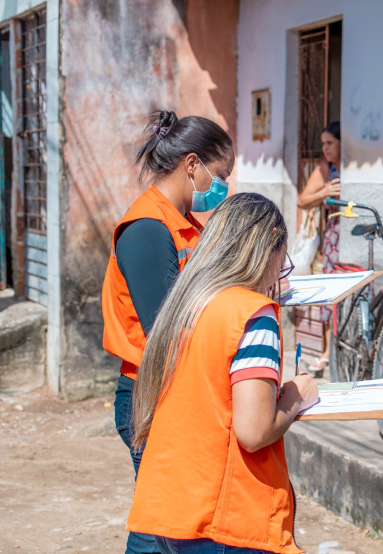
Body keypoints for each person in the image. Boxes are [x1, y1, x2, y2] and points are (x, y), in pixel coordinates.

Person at [127, 193, 319, 554]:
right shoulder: (254, 314)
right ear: (269, 249)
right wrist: (297, 395)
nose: (283, 269)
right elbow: (254, 430)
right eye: (283, 258)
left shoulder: (185, 303)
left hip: (174, 507)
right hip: (228, 518)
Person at [101, 110, 233, 554]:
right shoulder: (147, 230)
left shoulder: (181, 225)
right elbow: (165, 326)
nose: (223, 186)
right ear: (192, 164)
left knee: (162, 524)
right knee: (164, 526)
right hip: (151, 396)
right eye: (221, 174)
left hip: (170, 392)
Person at [296, 121, 342, 373]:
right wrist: (324, 191)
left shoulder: (354, 166)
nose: (324, 148)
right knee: (330, 292)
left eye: (329, 143)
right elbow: (303, 200)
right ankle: (326, 350)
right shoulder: (327, 168)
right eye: (323, 143)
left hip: (353, 232)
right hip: (333, 237)